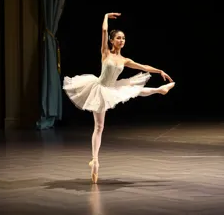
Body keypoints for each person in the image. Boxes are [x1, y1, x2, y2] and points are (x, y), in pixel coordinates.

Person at [63, 12, 175, 184]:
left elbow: (143, 66)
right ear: (111, 40)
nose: (122, 41)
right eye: (118, 38)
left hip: (112, 87)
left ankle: (160, 90)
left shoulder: (124, 59)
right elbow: (103, 30)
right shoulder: (105, 53)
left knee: (132, 89)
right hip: (99, 89)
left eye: (123, 38)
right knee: (99, 127)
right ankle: (95, 160)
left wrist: (159, 70)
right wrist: (106, 16)